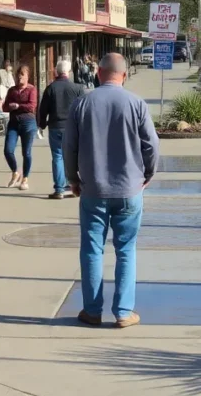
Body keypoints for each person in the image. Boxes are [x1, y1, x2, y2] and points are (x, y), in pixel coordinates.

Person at [63, 53, 159, 329]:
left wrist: (73, 178)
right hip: (129, 189)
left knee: (92, 249)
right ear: (124, 75)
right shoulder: (136, 103)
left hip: (93, 188)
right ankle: (124, 312)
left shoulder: (82, 103)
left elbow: (69, 146)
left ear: (98, 73)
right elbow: (151, 145)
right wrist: (148, 173)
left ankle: (92, 310)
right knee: (126, 249)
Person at [38, 59, 86, 199]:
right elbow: (83, 109)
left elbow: (43, 109)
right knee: (72, 156)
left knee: (57, 157)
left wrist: (41, 124)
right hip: (72, 127)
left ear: (57, 72)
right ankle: (72, 186)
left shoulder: (51, 88)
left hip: (55, 127)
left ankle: (59, 189)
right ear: (68, 72)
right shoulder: (77, 88)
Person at [2, 64, 38, 191]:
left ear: (28, 76)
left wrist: (18, 106)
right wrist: (10, 107)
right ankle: (15, 171)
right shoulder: (12, 90)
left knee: (26, 152)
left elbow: (32, 106)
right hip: (13, 123)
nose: (19, 77)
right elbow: (4, 107)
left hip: (28, 123)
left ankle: (25, 179)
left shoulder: (31, 89)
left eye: (22, 74)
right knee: (8, 150)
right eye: (18, 74)